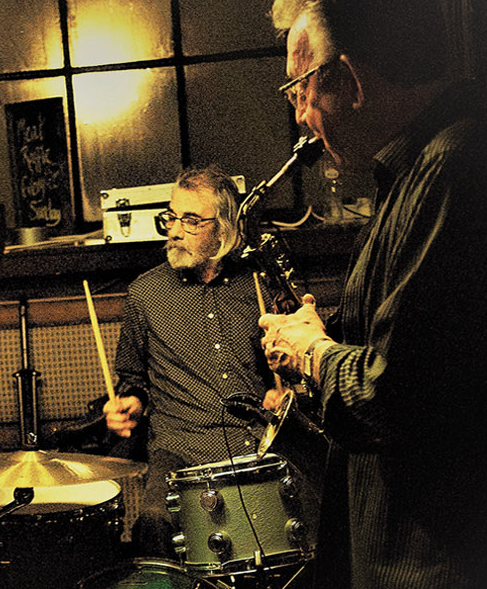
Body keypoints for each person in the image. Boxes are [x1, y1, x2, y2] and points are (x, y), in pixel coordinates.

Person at [256, 0, 487, 588]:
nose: (299, 113)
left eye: (301, 87)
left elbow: (392, 397)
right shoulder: (442, 164)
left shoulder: (455, 171)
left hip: (438, 566)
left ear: (350, 78)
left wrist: (314, 352)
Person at [102, 165, 323, 568]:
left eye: (191, 220)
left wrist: (288, 390)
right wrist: (129, 404)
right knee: (153, 521)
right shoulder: (145, 295)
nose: (174, 231)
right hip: (180, 450)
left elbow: (302, 367)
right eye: (171, 217)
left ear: (224, 229)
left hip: (258, 442)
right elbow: (132, 380)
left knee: (318, 515)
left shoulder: (261, 284)